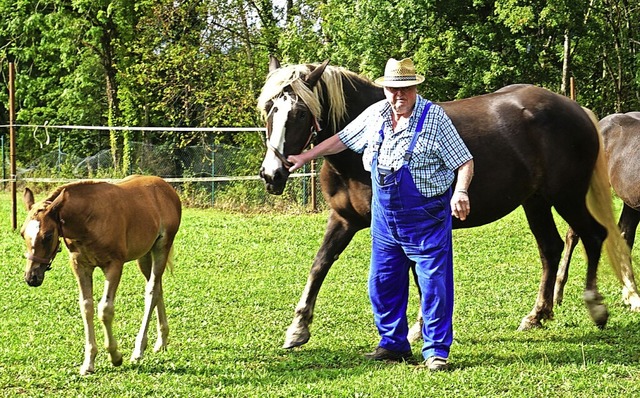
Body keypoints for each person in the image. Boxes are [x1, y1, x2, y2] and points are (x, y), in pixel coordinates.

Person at [287, 57, 474, 371]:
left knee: (434, 285)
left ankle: (436, 352)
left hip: (425, 215)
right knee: (383, 283)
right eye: (392, 89)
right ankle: (393, 345)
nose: (398, 96)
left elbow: (464, 160)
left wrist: (461, 191)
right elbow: (340, 140)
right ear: (384, 88)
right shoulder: (375, 114)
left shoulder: (435, 118)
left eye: (405, 89)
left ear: (415, 88)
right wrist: (307, 155)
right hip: (385, 216)